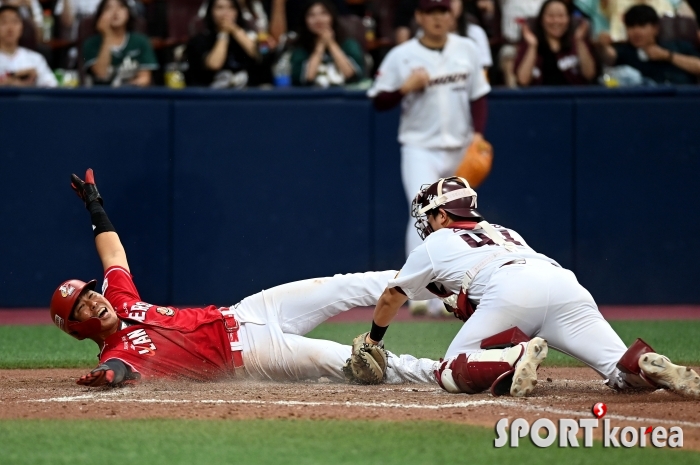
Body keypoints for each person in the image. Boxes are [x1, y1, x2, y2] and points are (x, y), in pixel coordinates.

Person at [51, 169, 438, 388]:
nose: (93, 300)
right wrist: (108, 374)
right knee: (348, 361)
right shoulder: (117, 352)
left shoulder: (118, 299)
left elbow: (113, 255)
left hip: (247, 311)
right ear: (76, 328)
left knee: (343, 284)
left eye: (88, 294)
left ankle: (446, 285)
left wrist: (94, 204)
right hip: (251, 357)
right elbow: (120, 370)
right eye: (81, 306)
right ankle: (445, 372)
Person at [350, 176, 700, 398]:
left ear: (442, 215)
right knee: (620, 375)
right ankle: (647, 364)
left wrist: (372, 341)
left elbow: (391, 297)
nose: (427, 224)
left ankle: (516, 356)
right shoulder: (505, 231)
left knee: (450, 368)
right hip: (563, 283)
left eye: (429, 216)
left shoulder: (436, 242)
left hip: (511, 289)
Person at [367, 0, 490, 317]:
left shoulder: (467, 48)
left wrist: (477, 134)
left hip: (460, 144)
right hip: (420, 145)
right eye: (431, 12)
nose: (438, 18)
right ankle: (417, 292)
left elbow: (478, 95)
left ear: (452, 16)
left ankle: (455, 292)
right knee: (423, 213)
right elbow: (379, 100)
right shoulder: (402, 54)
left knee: (462, 216)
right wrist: (405, 88)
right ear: (419, 17)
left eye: (443, 11)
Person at [598, 4, 700, 84]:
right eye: (631, 26)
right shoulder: (624, 50)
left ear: (655, 28)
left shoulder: (678, 46)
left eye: (642, 25)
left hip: (683, 100)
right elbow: (608, 56)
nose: (636, 31)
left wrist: (668, 56)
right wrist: (602, 45)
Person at [515, 0, 596, 86]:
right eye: (551, 16)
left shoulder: (577, 42)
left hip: (573, 97)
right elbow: (523, 80)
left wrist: (579, 41)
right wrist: (532, 46)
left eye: (561, 16)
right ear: (541, 19)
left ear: (569, 19)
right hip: (538, 97)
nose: (556, 21)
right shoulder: (529, 43)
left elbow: (589, 75)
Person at [185, 0, 260, 88]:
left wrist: (234, 30)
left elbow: (257, 54)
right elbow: (214, 65)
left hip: (247, 96)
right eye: (220, 8)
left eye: (231, 8)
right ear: (211, 12)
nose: (226, 13)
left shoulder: (248, 36)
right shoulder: (199, 40)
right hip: (213, 96)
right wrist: (223, 34)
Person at [82, 0, 157, 87]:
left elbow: (145, 78)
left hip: (132, 95)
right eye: (108, 8)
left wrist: (125, 89)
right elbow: (101, 74)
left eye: (121, 7)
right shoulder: (91, 44)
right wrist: (107, 36)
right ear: (100, 16)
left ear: (128, 12)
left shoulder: (141, 41)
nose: (115, 11)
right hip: (101, 96)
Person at [290, 0, 364, 87]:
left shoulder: (348, 44)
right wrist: (320, 46)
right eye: (311, 15)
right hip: (311, 98)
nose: (318, 19)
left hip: (345, 96)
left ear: (332, 17)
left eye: (323, 13)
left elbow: (351, 76)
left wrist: (331, 43)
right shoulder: (300, 48)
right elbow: (307, 79)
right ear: (305, 20)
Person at [0, 5, 57, 87]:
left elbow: (52, 87)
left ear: (21, 27)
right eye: (4, 22)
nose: (10, 28)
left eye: (14, 22)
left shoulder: (35, 59)